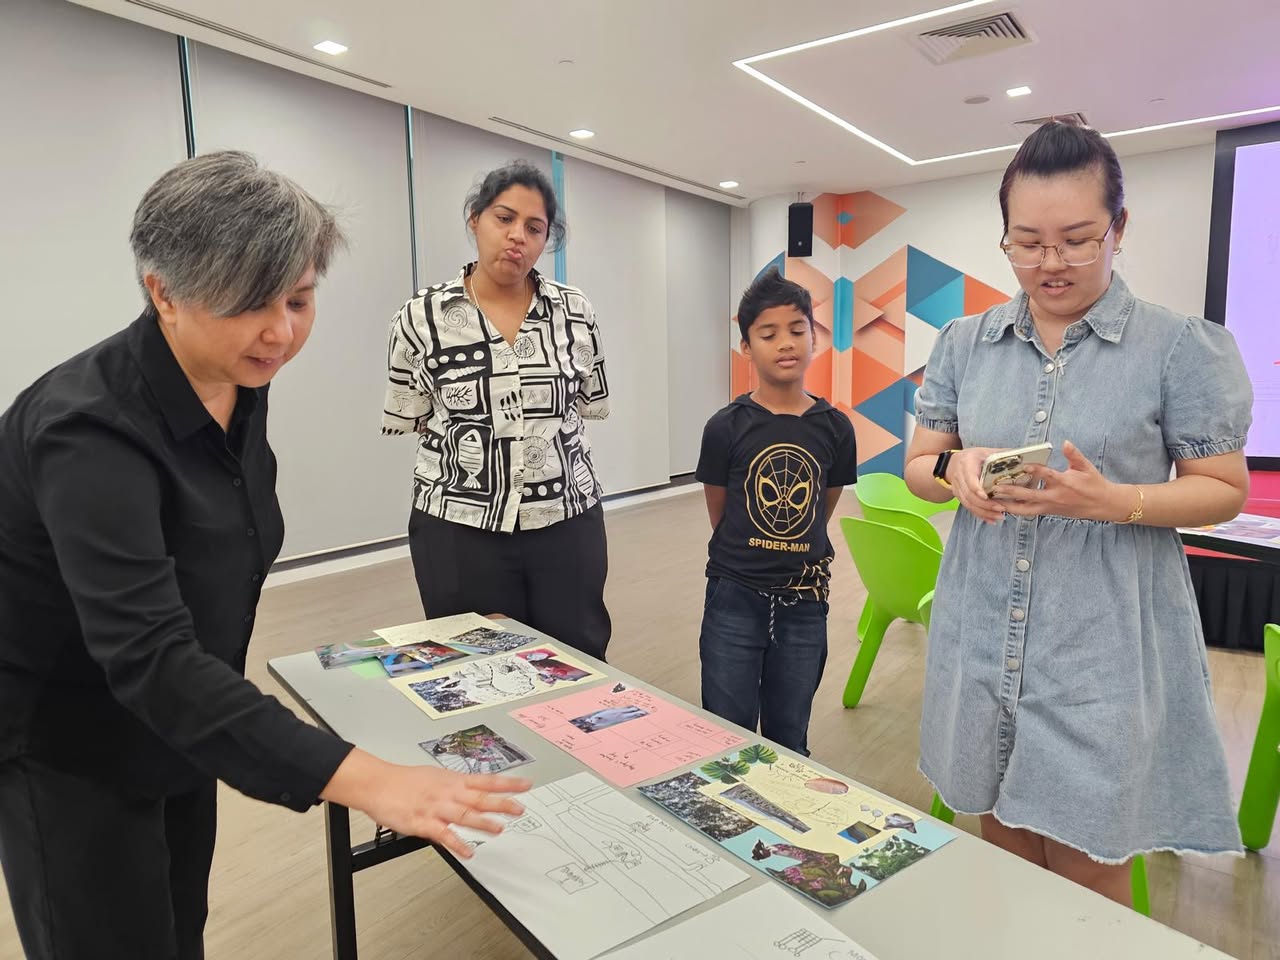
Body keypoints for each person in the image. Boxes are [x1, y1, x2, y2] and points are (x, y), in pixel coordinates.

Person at [0, 151, 529, 960]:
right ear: (163, 293)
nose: (280, 331)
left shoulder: (239, 379)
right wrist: (366, 778)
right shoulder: (88, 431)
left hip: (183, 724)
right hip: (70, 745)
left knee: (178, 928)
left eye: (299, 299)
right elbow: (147, 654)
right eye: (249, 304)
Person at [904, 119, 1251, 904]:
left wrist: (1115, 500)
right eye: (1027, 243)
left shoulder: (1176, 346)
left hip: (1101, 639)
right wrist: (954, 470)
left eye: (1076, 240)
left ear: (1118, 228)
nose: (1050, 263)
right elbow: (919, 469)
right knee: (1000, 834)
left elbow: (1223, 488)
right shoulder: (966, 342)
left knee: (1087, 859)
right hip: (982, 623)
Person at [382, 160, 612, 659]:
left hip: (565, 517)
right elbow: (414, 414)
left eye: (535, 228)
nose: (517, 237)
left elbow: (587, 402)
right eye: (504, 219)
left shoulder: (575, 311)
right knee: (474, 665)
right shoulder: (421, 317)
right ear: (475, 220)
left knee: (577, 658)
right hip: (458, 524)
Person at [696, 267, 858, 756]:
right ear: (746, 346)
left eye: (796, 330)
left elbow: (821, 507)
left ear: (814, 338)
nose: (785, 343)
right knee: (726, 737)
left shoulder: (836, 429)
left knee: (790, 738)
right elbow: (720, 512)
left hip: (803, 603)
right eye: (768, 334)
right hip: (733, 596)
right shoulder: (725, 427)